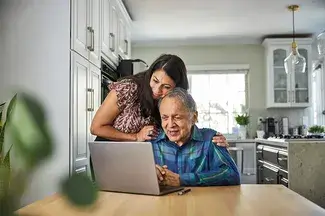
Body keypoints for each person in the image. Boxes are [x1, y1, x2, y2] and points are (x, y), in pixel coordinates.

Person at [90, 54, 228, 145]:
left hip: (139, 157)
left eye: (166, 87)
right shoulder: (129, 88)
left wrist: (213, 140)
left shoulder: (173, 100)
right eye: (155, 81)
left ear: (177, 88)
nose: (156, 90)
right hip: (108, 152)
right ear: (150, 74)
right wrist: (136, 137)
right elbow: (96, 128)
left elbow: (185, 124)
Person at [153, 87, 240, 186]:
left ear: (194, 118)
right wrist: (149, 173)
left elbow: (232, 175)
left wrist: (182, 180)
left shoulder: (211, 139)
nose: (170, 124)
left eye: (177, 117)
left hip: (200, 200)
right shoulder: (152, 141)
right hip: (164, 201)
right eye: (165, 118)